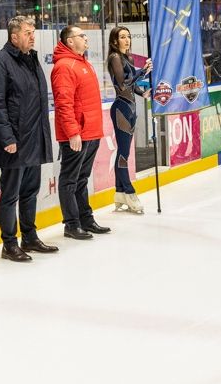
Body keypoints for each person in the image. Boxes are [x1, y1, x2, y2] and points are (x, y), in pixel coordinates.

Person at [0, 15, 57, 262]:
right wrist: (7, 138)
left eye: (33, 32)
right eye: (28, 33)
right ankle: (9, 244)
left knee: (30, 191)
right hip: (15, 141)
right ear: (14, 36)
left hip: (34, 138)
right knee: (10, 194)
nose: (32, 37)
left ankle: (30, 236)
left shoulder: (31, 59)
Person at [51, 25, 110, 239]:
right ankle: (71, 224)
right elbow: (63, 103)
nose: (86, 39)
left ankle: (86, 219)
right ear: (69, 41)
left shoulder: (83, 63)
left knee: (82, 178)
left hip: (91, 132)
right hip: (77, 134)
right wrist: (72, 132)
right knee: (70, 179)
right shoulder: (64, 66)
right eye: (81, 36)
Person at [106, 26, 152, 213]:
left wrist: (142, 93)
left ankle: (119, 191)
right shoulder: (115, 58)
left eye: (128, 36)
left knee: (124, 152)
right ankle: (129, 191)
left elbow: (132, 86)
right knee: (124, 153)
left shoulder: (129, 58)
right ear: (115, 41)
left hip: (131, 108)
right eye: (122, 37)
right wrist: (142, 72)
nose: (127, 40)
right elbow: (123, 85)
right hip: (121, 109)